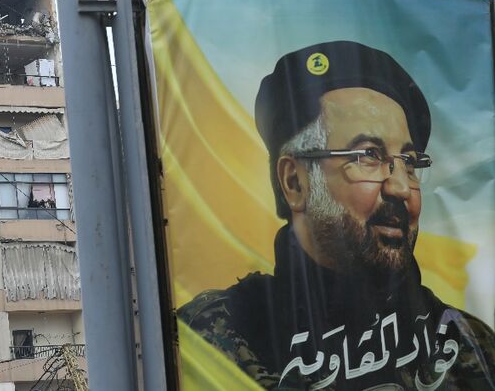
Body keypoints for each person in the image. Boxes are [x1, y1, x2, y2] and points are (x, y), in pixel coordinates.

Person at [177, 41, 495, 390]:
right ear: (294, 182)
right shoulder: (215, 339)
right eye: (368, 156)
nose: (401, 188)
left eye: (410, 162)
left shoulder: (468, 343)